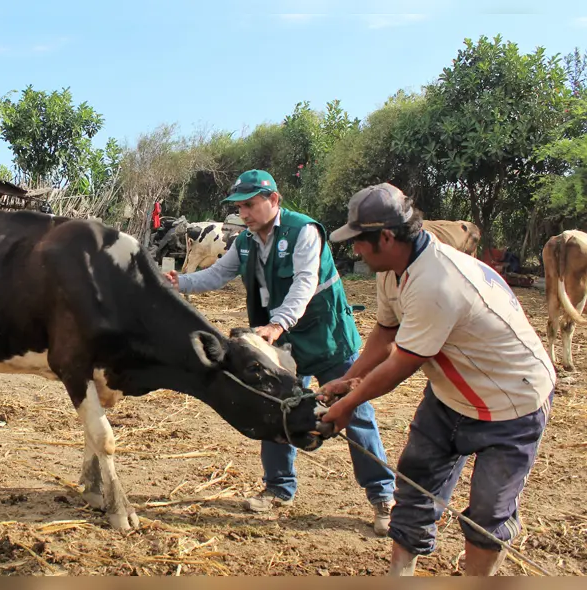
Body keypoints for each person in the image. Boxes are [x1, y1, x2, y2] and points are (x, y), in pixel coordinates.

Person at [319, 183, 556, 576]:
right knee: (415, 483)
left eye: (360, 241)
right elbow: (385, 333)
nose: (355, 250)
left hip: (512, 402)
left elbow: (403, 364)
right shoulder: (394, 271)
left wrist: (346, 406)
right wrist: (347, 379)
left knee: (487, 514)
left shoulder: (436, 282)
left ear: (388, 237)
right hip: (452, 394)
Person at [164, 169, 396, 534]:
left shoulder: (304, 232)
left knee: (356, 412)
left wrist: (277, 323)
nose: (244, 214)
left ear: (273, 200)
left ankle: (383, 495)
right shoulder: (246, 242)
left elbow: (305, 282)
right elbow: (217, 275)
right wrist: (180, 283)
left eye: (251, 205)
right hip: (282, 343)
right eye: (240, 208)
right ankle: (278, 488)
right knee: (277, 408)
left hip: (326, 337)